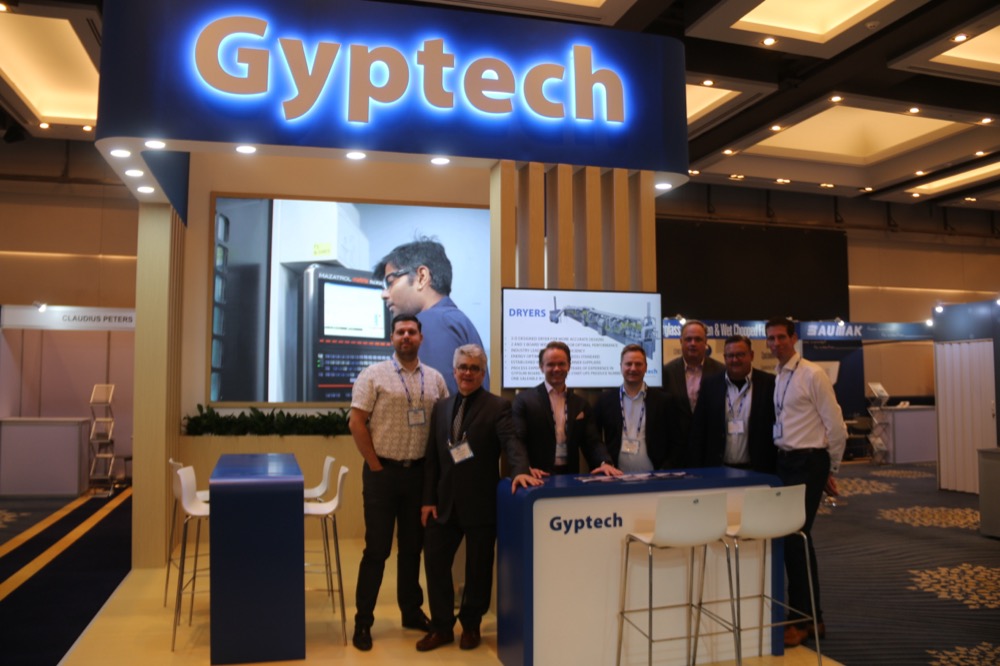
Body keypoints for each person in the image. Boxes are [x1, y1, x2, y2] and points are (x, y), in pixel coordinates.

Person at [416, 345, 542, 652]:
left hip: (481, 503)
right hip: (443, 504)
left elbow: (512, 442)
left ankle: (471, 625)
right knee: (435, 564)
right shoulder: (442, 407)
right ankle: (442, 626)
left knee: (478, 570)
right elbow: (432, 458)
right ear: (454, 370)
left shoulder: (498, 406)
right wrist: (428, 499)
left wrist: (520, 470)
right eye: (463, 367)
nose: (468, 373)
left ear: (483, 373)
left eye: (474, 368)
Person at [348, 313, 449, 651]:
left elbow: (444, 424)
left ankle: (410, 611)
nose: (406, 336)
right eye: (400, 332)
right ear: (391, 338)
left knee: (411, 549)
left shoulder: (435, 379)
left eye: (412, 332)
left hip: (419, 476)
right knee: (377, 550)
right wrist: (375, 465)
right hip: (382, 474)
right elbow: (356, 422)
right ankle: (364, 621)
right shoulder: (373, 375)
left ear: (421, 337)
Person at [765, 317, 847, 647]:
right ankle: (813, 619)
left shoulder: (812, 374)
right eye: (771, 339)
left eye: (781, 337)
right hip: (786, 462)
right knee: (797, 540)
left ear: (794, 338)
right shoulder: (780, 375)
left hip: (809, 462)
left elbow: (836, 425)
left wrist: (830, 468)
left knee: (794, 538)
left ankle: (802, 621)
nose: (776, 344)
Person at [374, 238, 488, 395]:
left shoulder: (429, 324)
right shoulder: (455, 320)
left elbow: (431, 402)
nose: (384, 294)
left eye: (390, 282)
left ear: (422, 277)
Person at [512, 341, 621, 476]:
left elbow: (592, 441)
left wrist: (604, 463)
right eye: (551, 364)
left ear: (569, 366)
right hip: (536, 475)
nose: (557, 369)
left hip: (569, 475)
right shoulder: (524, 400)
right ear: (541, 367)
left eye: (561, 364)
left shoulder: (581, 404)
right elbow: (517, 441)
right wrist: (524, 468)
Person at [688, 335, 777, 472]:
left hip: (758, 471)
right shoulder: (710, 385)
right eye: (730, 356)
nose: (735, 360)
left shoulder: (769, 384)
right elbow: (699, 430)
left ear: (751, 355)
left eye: (740, 354)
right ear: (724, 358)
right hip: (718, 471)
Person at [594, 343, 680, 471]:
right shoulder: (605, 400)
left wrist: (665, 470)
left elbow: (677, 441)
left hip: (655, 476)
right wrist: (604, 462)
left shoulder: (664, 401)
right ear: (621, 367)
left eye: (638, 364)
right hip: (615, 475)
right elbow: (594, 438)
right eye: (628, 364)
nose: (633, 368)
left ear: (646, 367)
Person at [663, 320, 724, 447]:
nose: (693, 343)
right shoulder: (667, 372)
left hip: (709, 446)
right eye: (688, 339)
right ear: (681, 341)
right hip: (676, 448)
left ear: (706, 342)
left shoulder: (721, 371)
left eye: (698, 339)